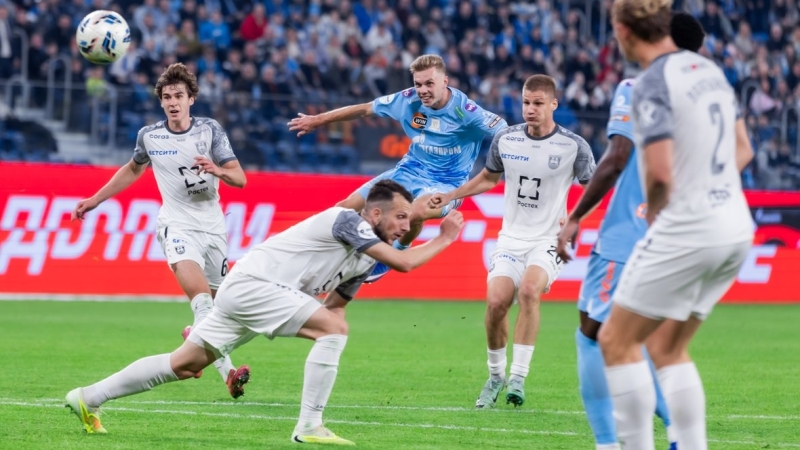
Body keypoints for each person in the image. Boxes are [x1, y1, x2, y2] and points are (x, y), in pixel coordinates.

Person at [65, 180, 465, 445]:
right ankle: (309, 425)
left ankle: (87, 397)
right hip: (255, 285)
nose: (405, 226)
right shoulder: (346, 220)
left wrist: (324, 328)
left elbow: (335, 306)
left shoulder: (365, 259)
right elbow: (404, 264)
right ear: (375, 214)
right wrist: (445, 237)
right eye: (400, 217)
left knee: (184, 364)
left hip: (254, 294)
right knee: (333, 330)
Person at [596, 1, 754, 448]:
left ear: (625, 31)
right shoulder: (710, 71)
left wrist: (657, 213)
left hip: (688, 228)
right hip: (734, 226)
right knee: (667, 347)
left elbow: (661, 174)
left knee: (615, 341)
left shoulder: (651, 82)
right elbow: (744, 149)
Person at [555, 12, 708, 450]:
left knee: (592, 334)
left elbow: (617, 156)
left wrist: (575, 215)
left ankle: (611, 442)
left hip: (629, 233)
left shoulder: (638, 87)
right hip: (680, 235)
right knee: (649, 342)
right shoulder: (702, 96)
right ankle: (680, 435)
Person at [70, 62, 251, 398]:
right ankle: (227, 373)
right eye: (167, 97)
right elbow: (132, 169)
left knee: (221, 309)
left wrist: (217, 170)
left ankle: (193, 336)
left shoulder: (209, 131)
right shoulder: (150, 136)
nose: (172, 102)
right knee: (203, 304)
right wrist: (95, 199)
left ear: (191, 98)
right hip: (177, 227)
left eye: (178, 95)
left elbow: (240, 179)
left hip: (213, 229)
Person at [428, 74, 596, 408]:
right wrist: (452, 195)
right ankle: (495, 377)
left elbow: (594, 187)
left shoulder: (573, 146)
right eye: (526, 103)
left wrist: (575, 217)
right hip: (511, 239)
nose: (530, 109)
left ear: (553, 104)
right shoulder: (506, 139)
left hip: (548, 238)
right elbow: (488, 178)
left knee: (530, 291)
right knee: (496, 303)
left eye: (538, 103)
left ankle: (518, 378)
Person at [288, 54, 507, 282]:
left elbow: (503, 131)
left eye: (429, 83)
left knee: (417, 212)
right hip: (408, 171)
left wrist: (504, 163)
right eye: (418, 84)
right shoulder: (406, 100)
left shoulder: (467, 111)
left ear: (445, 82)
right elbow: (365, 109)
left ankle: (396, 252)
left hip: (447, 183)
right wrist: (318, 120)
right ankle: (309, 257)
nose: (422, 90)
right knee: (342, 209)